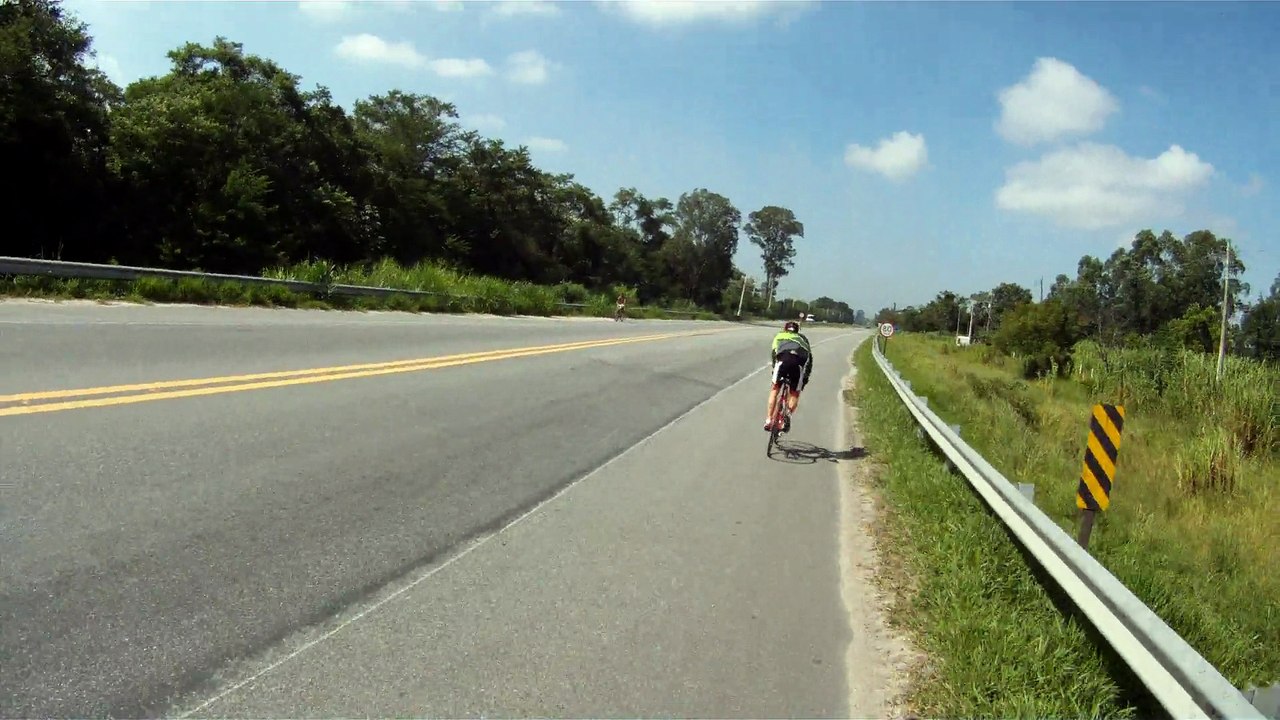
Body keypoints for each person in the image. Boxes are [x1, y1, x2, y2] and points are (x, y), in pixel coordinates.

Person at [765, 320, 814, 432]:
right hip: (797, 365)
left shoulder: (779, 336)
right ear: (797, 332)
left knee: (774, 389)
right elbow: (809, 361)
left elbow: (774, 354)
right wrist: (805, 377)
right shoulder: (803, 340)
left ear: (785, 329)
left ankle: (768, 420)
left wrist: (775, 369)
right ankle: (785, 417)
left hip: (782, 362)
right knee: (794, 393)